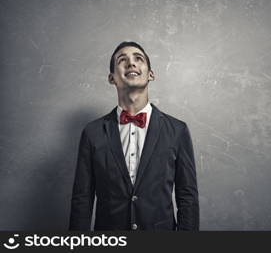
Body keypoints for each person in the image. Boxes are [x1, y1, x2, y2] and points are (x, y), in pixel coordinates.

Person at [69, 41, 199, 231]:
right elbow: (82, 198)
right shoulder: (92, 132)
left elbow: (187, 197)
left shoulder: (177, 130)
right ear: (112, 78)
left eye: (138, 59)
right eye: (122, 60)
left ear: (151, 74)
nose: (131, 63)